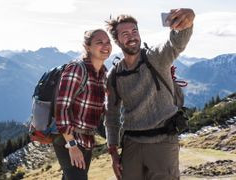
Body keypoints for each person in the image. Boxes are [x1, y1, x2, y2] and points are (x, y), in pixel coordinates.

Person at [104, 8, 195, 180]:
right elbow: (111, 115)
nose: (131, 36)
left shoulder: (156, 57)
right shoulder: (114, 75)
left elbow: (176, 43)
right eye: (124, 33)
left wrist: (188, 19)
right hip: (131, 144)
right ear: (117, 41)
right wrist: (113, 152)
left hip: (163, 142)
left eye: (134, 31)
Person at [54, 29, 112, 180]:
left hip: (87, 141)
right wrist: (72, 145)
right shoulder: (77, 69)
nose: (105, 45)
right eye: (99, 42)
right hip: (69, 140)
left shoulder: (103, 73)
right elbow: (61, 108)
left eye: (108, 42)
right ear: (87, 47)